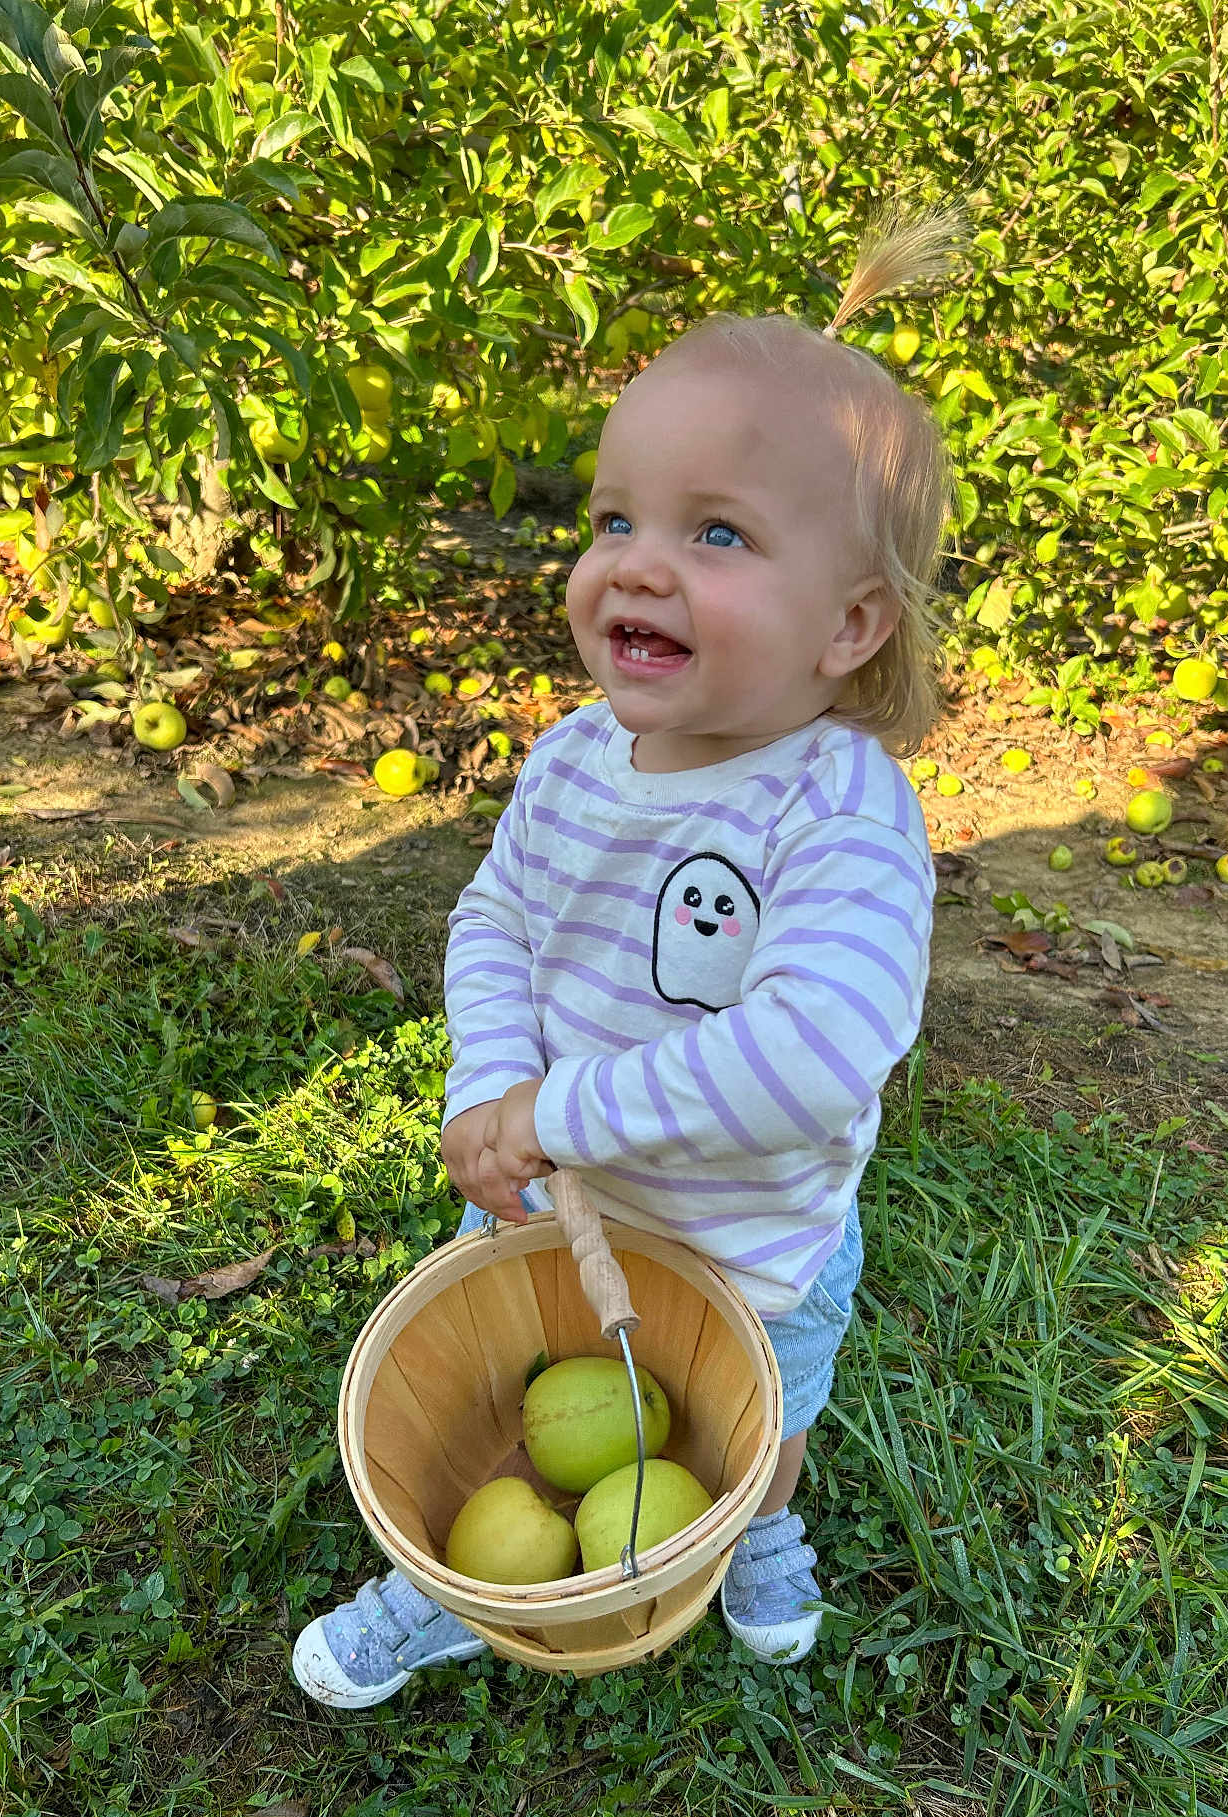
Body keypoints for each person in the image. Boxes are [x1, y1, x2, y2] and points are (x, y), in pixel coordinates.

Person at [293, 195, 973, 1708]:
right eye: (616, 520)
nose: (636, 565)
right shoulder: (578, 757)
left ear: (852, 623)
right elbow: (498, 917)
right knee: (528, 1400)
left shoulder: (841, 813)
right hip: (559, 1202)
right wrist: (496, 1079)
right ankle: (448, 1581)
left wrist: (561, 1111)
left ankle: (761, 1524)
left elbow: (815, 1052)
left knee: (762, 1408)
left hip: (754, 1237)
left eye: (716, 534)